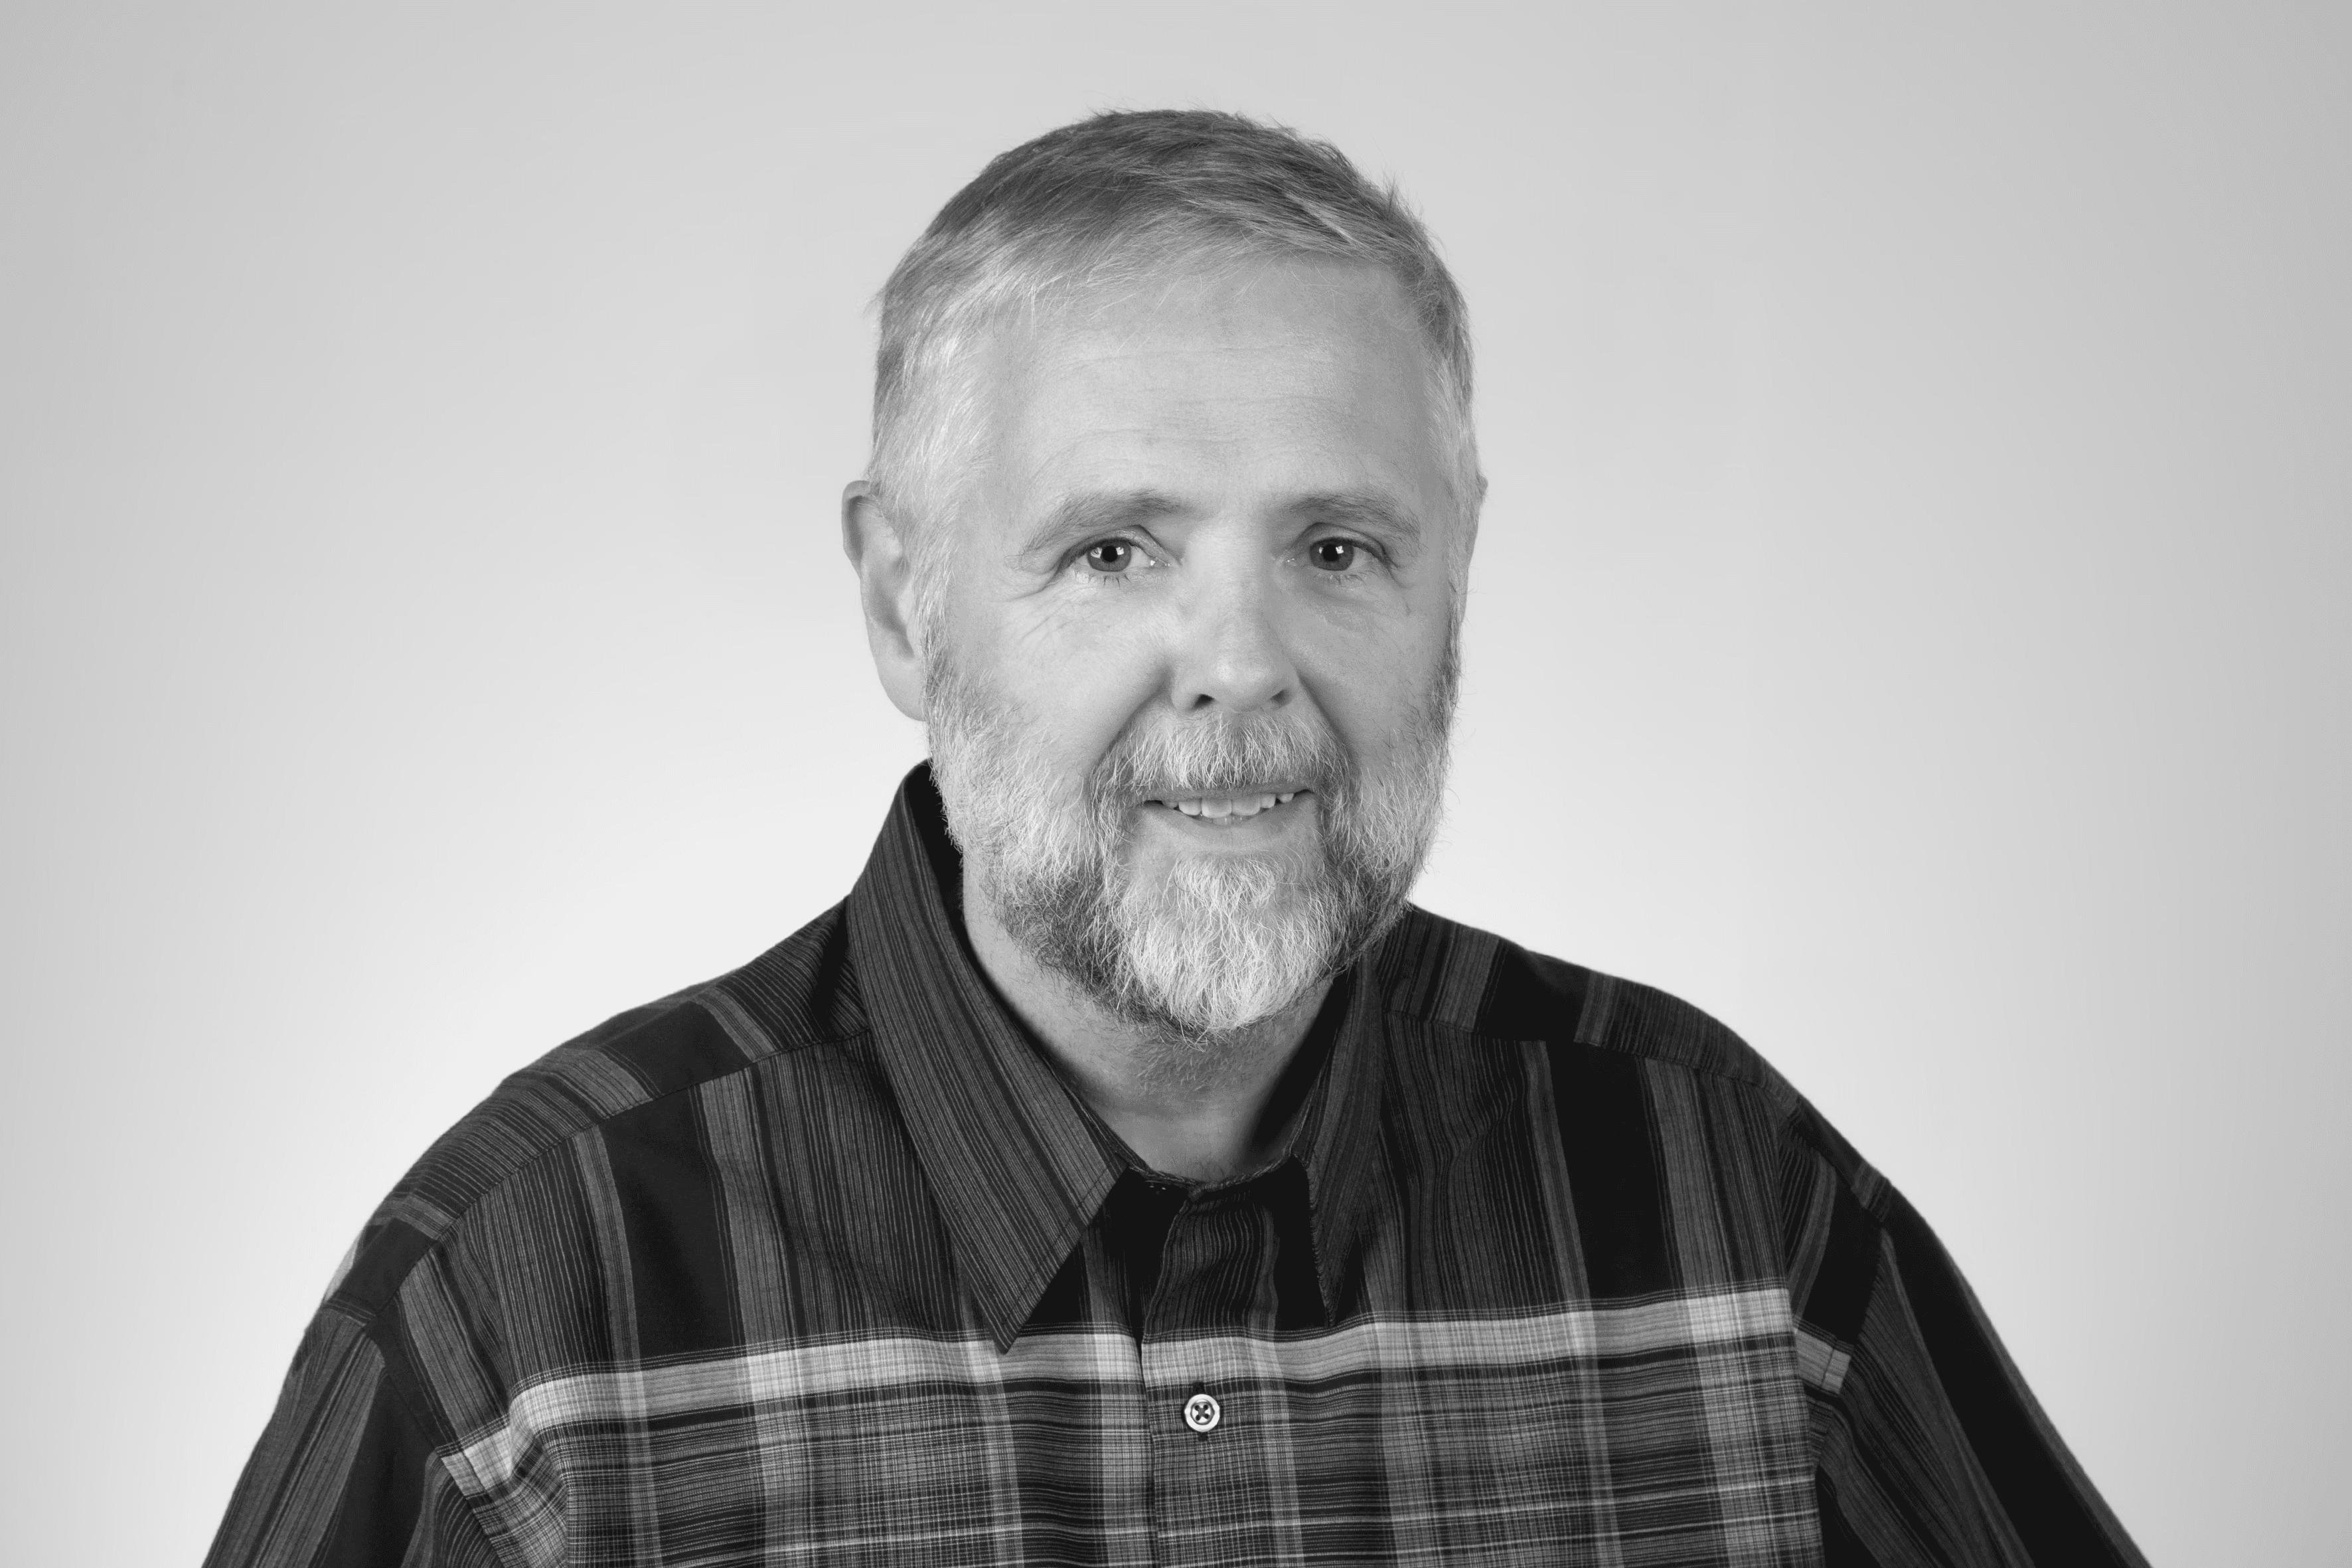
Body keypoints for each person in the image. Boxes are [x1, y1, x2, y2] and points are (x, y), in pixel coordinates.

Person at [205, 110, 2146, 1567]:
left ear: (1455, 575)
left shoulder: (1729, 1212)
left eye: (1338, 547)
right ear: (901, 603)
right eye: (1115, 550)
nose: (1242, 663)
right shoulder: (530, 1306)